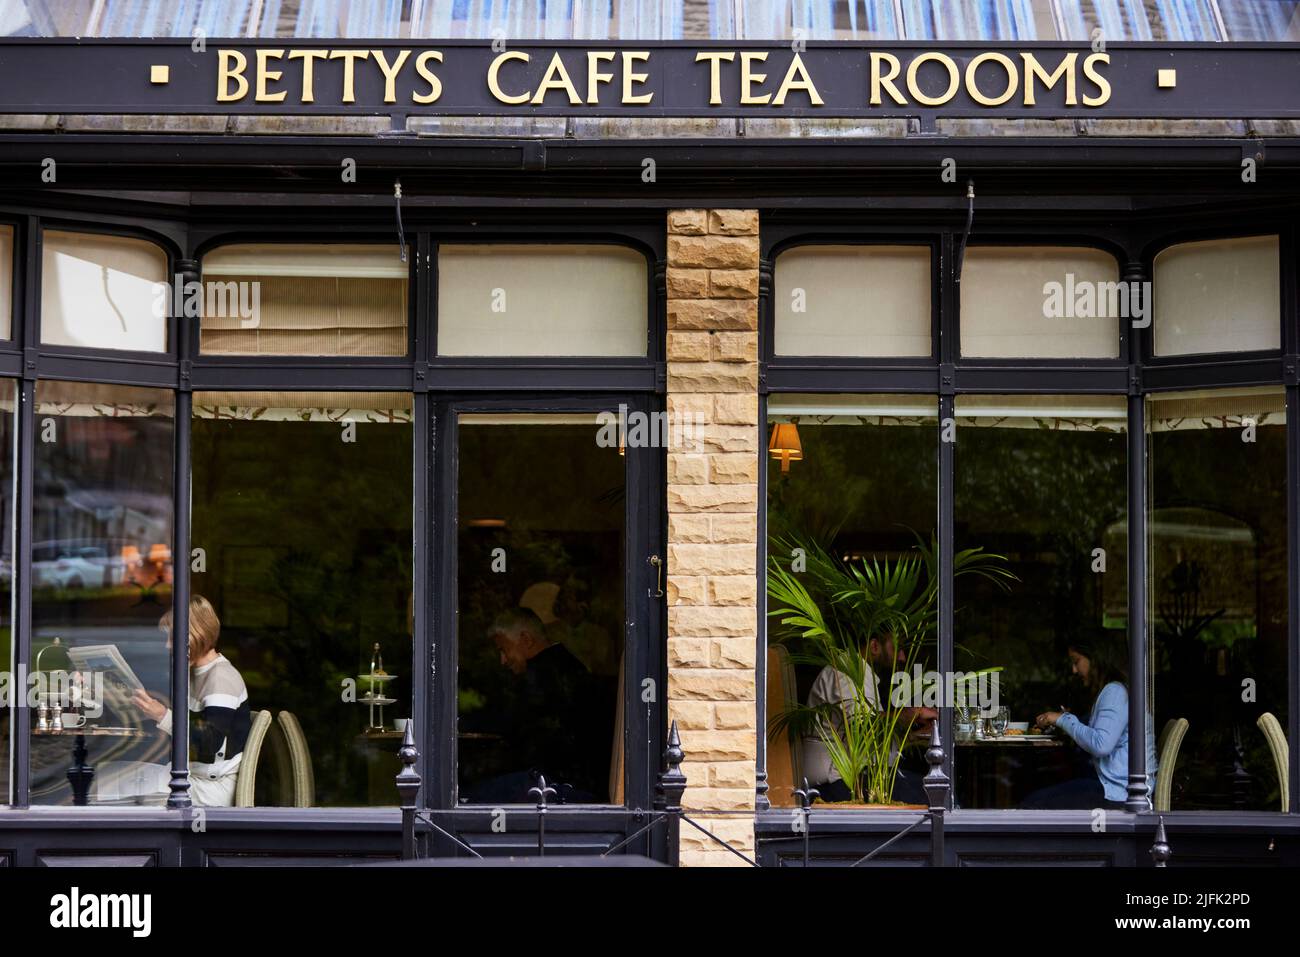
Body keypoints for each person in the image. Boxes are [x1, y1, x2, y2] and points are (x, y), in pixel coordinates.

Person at [464, 607, 604, 804]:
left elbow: (514, 726)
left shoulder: (541, 674)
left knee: (465, 797)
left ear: (526, 640)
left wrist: (463, 723)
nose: (502, 660)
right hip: (572, 781)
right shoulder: (566, 665)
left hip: (554, 785)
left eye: (503, 649)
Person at [127, 595, 252, 807]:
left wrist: (162, 715)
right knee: (111, 774)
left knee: (117, 784)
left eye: (172, 638)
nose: (168, 646)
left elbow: (209, 743)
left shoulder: (220, 678)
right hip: (192, 777)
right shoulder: (197, 673)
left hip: (211, 788)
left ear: (195, 636)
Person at [1021, 636, 1158, 810]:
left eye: (1076, 661)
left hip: (1119, 793)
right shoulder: (1116, 690)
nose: (1074, 670)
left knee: (1032, 804)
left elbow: (1101, 745)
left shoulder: (1115, 692)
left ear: (1095, 659)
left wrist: (1062, 719)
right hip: (1115, 786)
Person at [804, 632, 937, 805]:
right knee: (936, 794)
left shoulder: (860, 675)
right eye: (897, 649)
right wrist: (914, 714)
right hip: (835, 785)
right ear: (874, 646)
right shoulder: (845, 673)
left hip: (858, 780)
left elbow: (873, 740)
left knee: (935, 788)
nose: (903, 658)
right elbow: (865, 727)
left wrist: (915, 737)